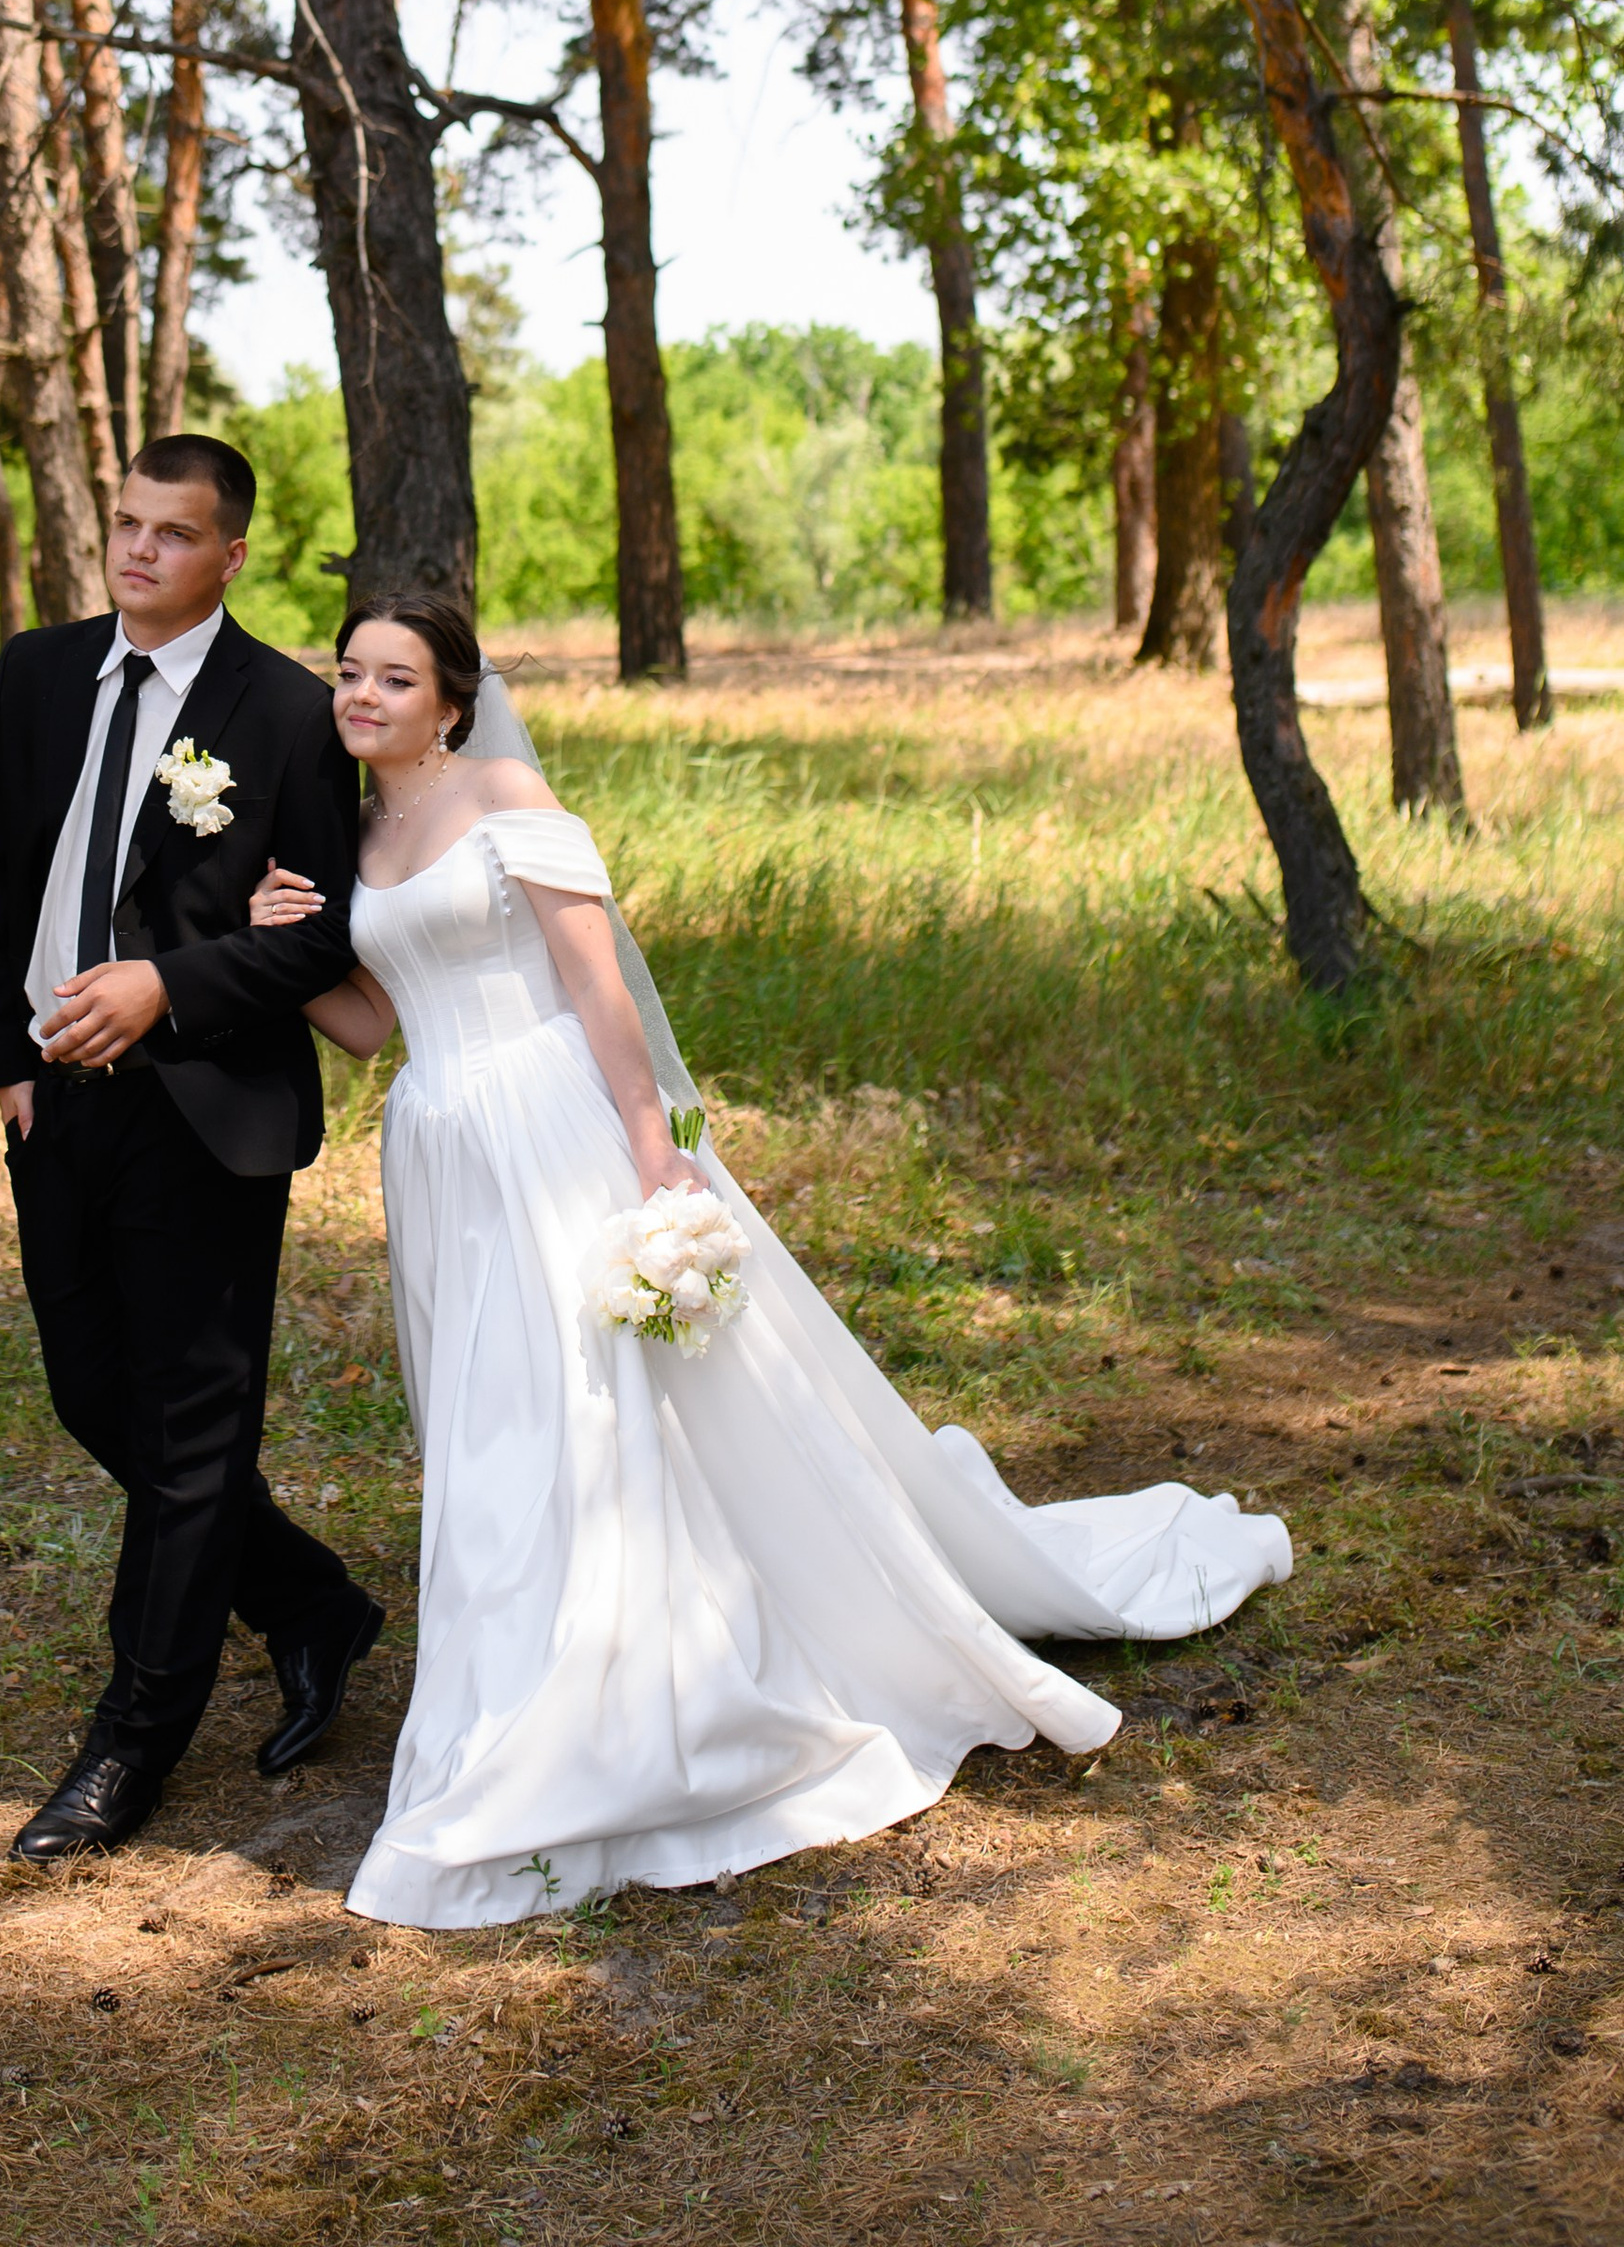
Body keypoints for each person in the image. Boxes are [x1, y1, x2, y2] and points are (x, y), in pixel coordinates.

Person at [247, 595, 1293, 1930]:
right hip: (444, 1147)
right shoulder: (356, 835)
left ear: (452, 699)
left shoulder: (502, 789)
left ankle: (637, 1671)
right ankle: (527, 1659)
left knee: (592, 1397)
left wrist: (654, 1155)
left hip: (558, 1123)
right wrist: (284, 948)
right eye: (349, 674)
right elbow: (374, 1024)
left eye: (394, 677)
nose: (362, 694)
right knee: (493, 1410)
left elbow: (595, 980)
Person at [0, 436, 387, 1864]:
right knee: (94, 1401)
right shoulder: (37, 672)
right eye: (128, 525)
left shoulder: (286, 712)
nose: (139, 552)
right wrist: (5, 1064)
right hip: (55, 1102)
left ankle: (133, 1738)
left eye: (174, 533)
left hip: (205, 1110)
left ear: (231, 556)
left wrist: (170, 986)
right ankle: (311, 1600)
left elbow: (321, 937)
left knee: (197, 1434)